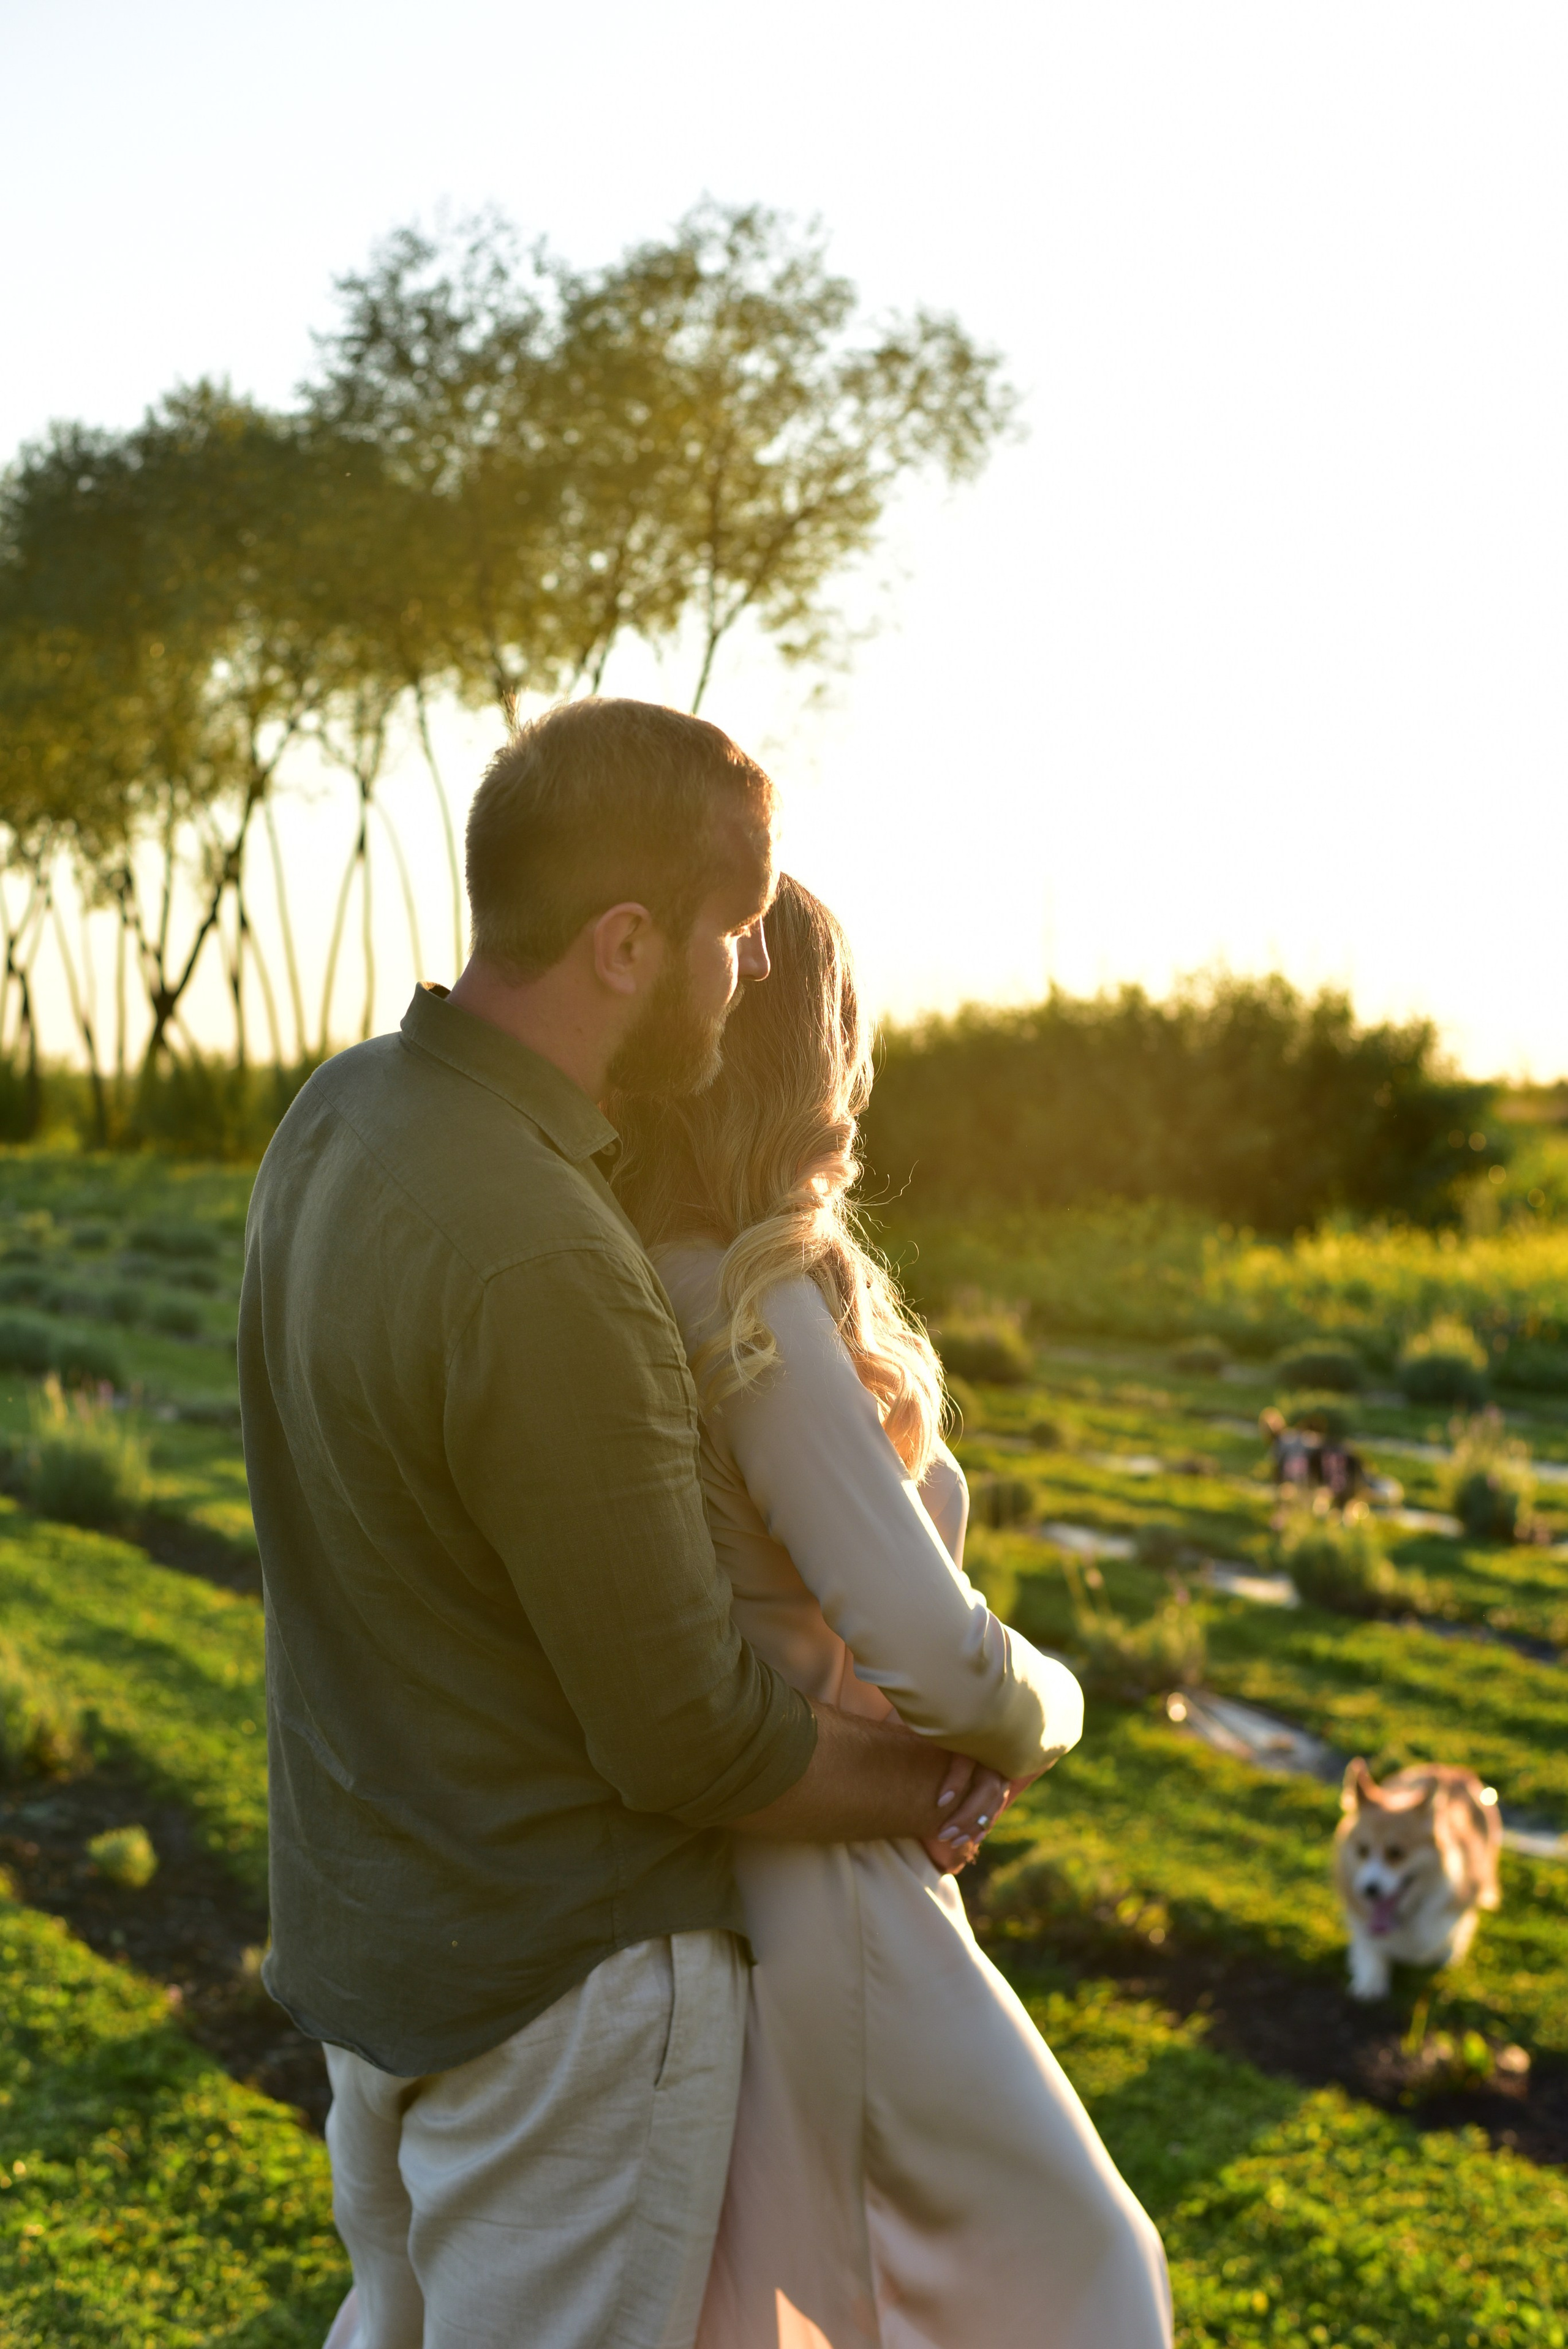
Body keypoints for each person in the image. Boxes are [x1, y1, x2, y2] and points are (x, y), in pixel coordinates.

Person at [239, 701, 1005, 2349]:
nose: (744, 979)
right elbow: (690, 1740)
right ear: (627, 943)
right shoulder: (552, 1260)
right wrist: (942, 1772)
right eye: (728, 937)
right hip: (557, 2001)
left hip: (377, 1946)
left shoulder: (339, 1116)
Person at [612, 875, 1174, 2349]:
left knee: (812, 2306)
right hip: (832, 1898)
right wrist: (1040, 1715)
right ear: (800, 1047)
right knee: (1087, 2273)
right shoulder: (750, 1306)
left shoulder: (624, 1280)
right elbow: (935, 1656)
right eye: (842, 1027)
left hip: (739, 1881)